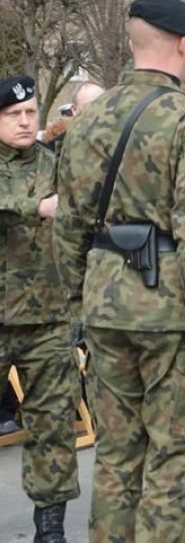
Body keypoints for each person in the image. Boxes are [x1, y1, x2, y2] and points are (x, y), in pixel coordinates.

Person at [54, 0, 185, 542]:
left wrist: (80, 304)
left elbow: (68, 225)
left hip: (105, 305)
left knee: (115, 454)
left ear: (132, 44)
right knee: (175, 456)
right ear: (184, 44)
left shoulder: (88, 119)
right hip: (170, 313)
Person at [2, 75, 81, 542]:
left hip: (48, 318)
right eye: (13, 114)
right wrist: (36, 206)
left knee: (53, 423)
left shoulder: (55, 165)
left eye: (30, 112)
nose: (25, 121)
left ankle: (50, 526)